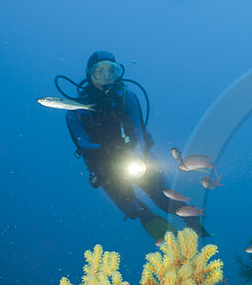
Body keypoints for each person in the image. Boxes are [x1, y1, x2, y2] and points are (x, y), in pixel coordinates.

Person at [61, 51, 177, 241]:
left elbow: (139, 133)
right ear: (89, 74)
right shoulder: (75, 109)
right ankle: (149, 219)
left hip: (138, 159)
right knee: (132, 209)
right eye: (99, 72)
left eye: (111, 71)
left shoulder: (127, 97)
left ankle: (192, 220)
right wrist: (108, 152)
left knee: (165, 199)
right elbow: (83, 142)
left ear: (118, 73)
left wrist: (135, 154)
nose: (106, 77)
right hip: (106, 169)